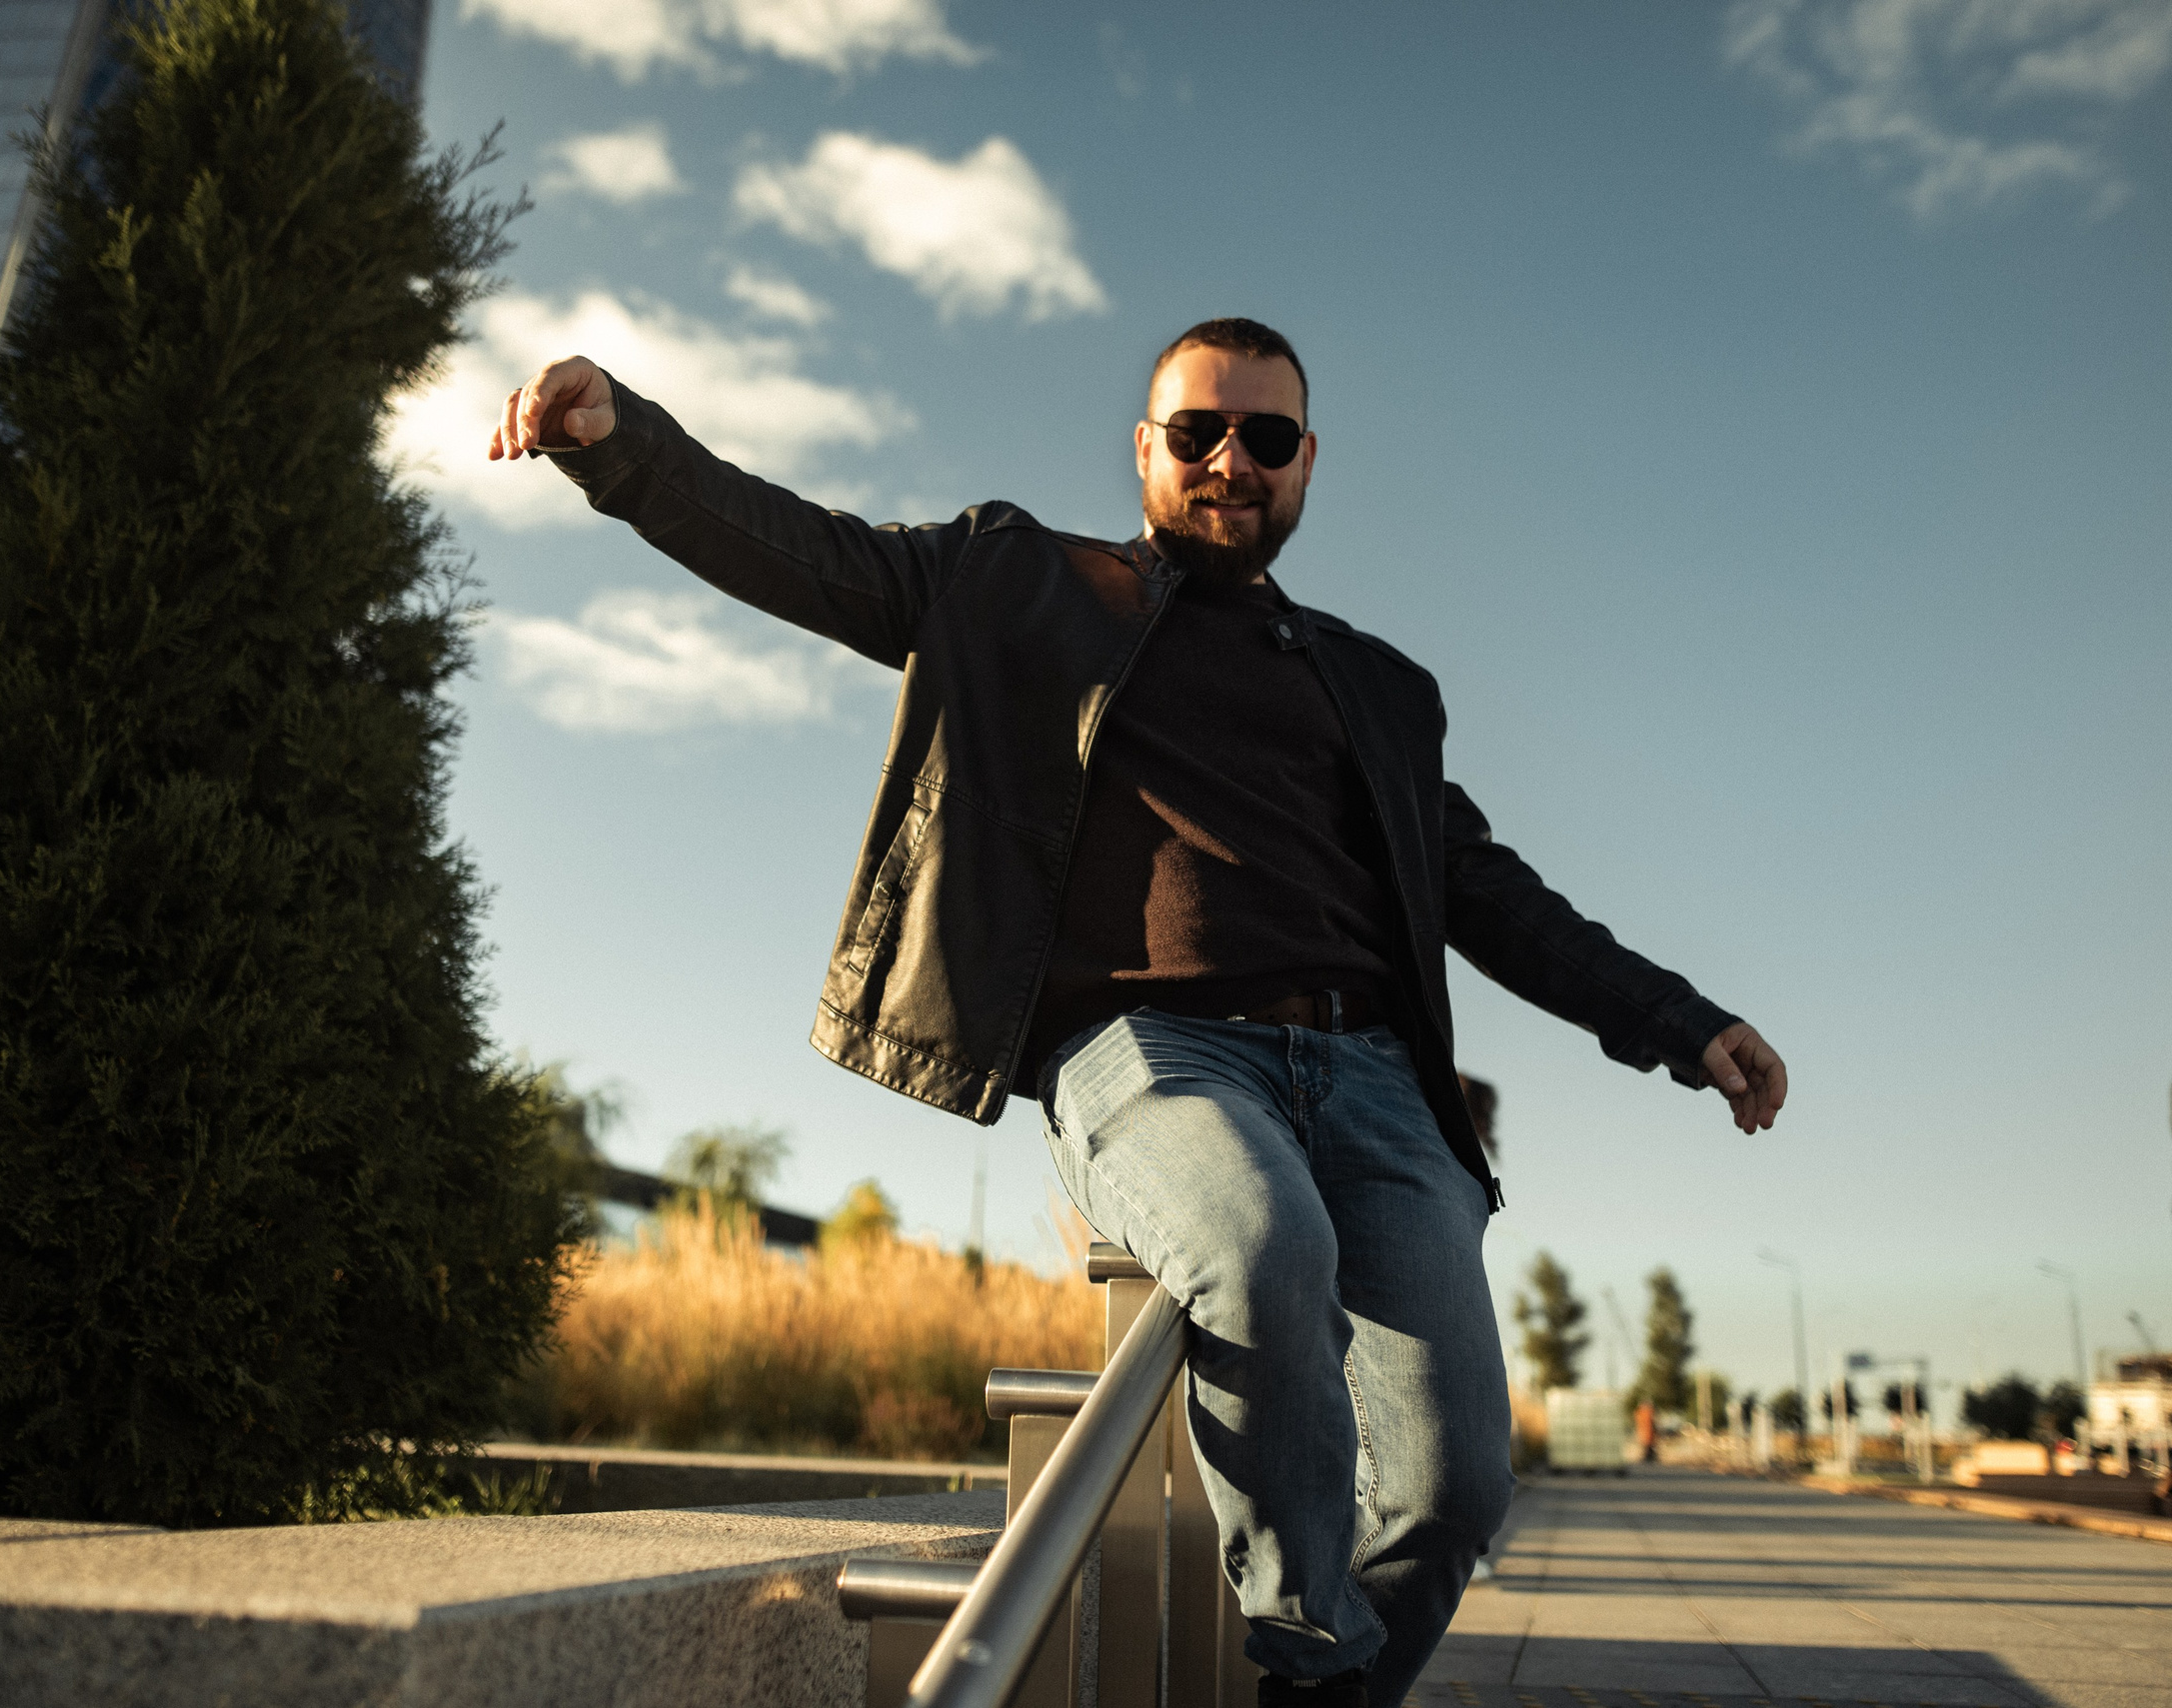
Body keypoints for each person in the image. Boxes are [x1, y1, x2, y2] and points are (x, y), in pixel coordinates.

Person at [489, 318, 1785, 1707]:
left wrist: (1681, 1020)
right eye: (1198, 432)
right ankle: (1309, 1648)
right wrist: (623, 445)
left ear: (1306, 462)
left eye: (1266, 437)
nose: (1232, 460)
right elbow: (813, 553)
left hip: (1373, 1080)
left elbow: (1496, 895)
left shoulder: (1377, 689)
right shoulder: (1022, 583)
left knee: (1456, 1486)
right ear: (1146, 448)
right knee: (1259, 1243)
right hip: (1154, 1052)